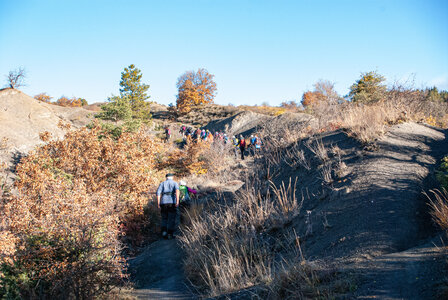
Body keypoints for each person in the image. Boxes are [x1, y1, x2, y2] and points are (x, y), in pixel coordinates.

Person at [157, 173, 180, 239]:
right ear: (172, 177)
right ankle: (170, 233)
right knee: (171, 218)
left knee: (164, 218)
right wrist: (177, 201)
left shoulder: (162, 183)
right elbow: (177, 191)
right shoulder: (175, 183)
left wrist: (158, 203)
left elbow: (158, 193)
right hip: (172, 202)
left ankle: (164, 232)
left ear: (166, 177)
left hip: (163, 202)